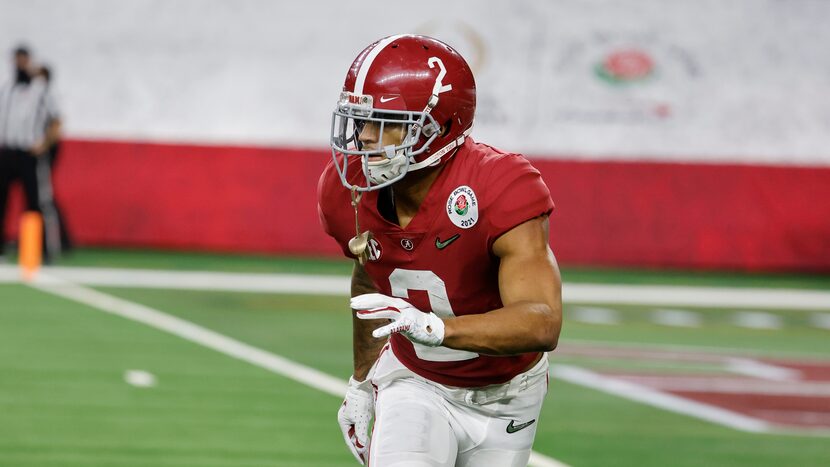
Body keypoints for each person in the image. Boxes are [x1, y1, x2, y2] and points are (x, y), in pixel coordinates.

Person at [317, 35, 563, 466]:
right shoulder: (346, 188)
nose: (367, 140)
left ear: (441, 127)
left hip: (508, 394)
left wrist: (437, 330)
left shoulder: (499, 186)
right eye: (361, 121)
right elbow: (370, 274)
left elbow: (541, 322)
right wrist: (361, 380)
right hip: (415, 381)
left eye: (387, 122)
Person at [0, 45, 62, 262]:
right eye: (16, 60)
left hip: (28, 154)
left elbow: (56, 120)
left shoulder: (41, 91)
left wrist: (44, 144)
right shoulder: (6, 89)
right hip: (6, 152)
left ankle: (42, 250)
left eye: (23, 60)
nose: (20, 65)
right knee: (1, 202)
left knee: (35, 202)